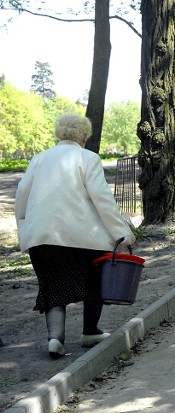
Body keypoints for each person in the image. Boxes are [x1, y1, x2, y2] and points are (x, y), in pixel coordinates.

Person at [14, 113, 136, 359]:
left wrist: (25, 230)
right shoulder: (87, 158)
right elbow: (102, 200)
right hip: (83, 236)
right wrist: (122, 235)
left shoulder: (38, 160)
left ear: (59, 133)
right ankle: (90, 332)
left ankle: (55, 340)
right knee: (94, 280)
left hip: (43, 237)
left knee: (53, 286)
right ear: (85, 135)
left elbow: (21, 198)